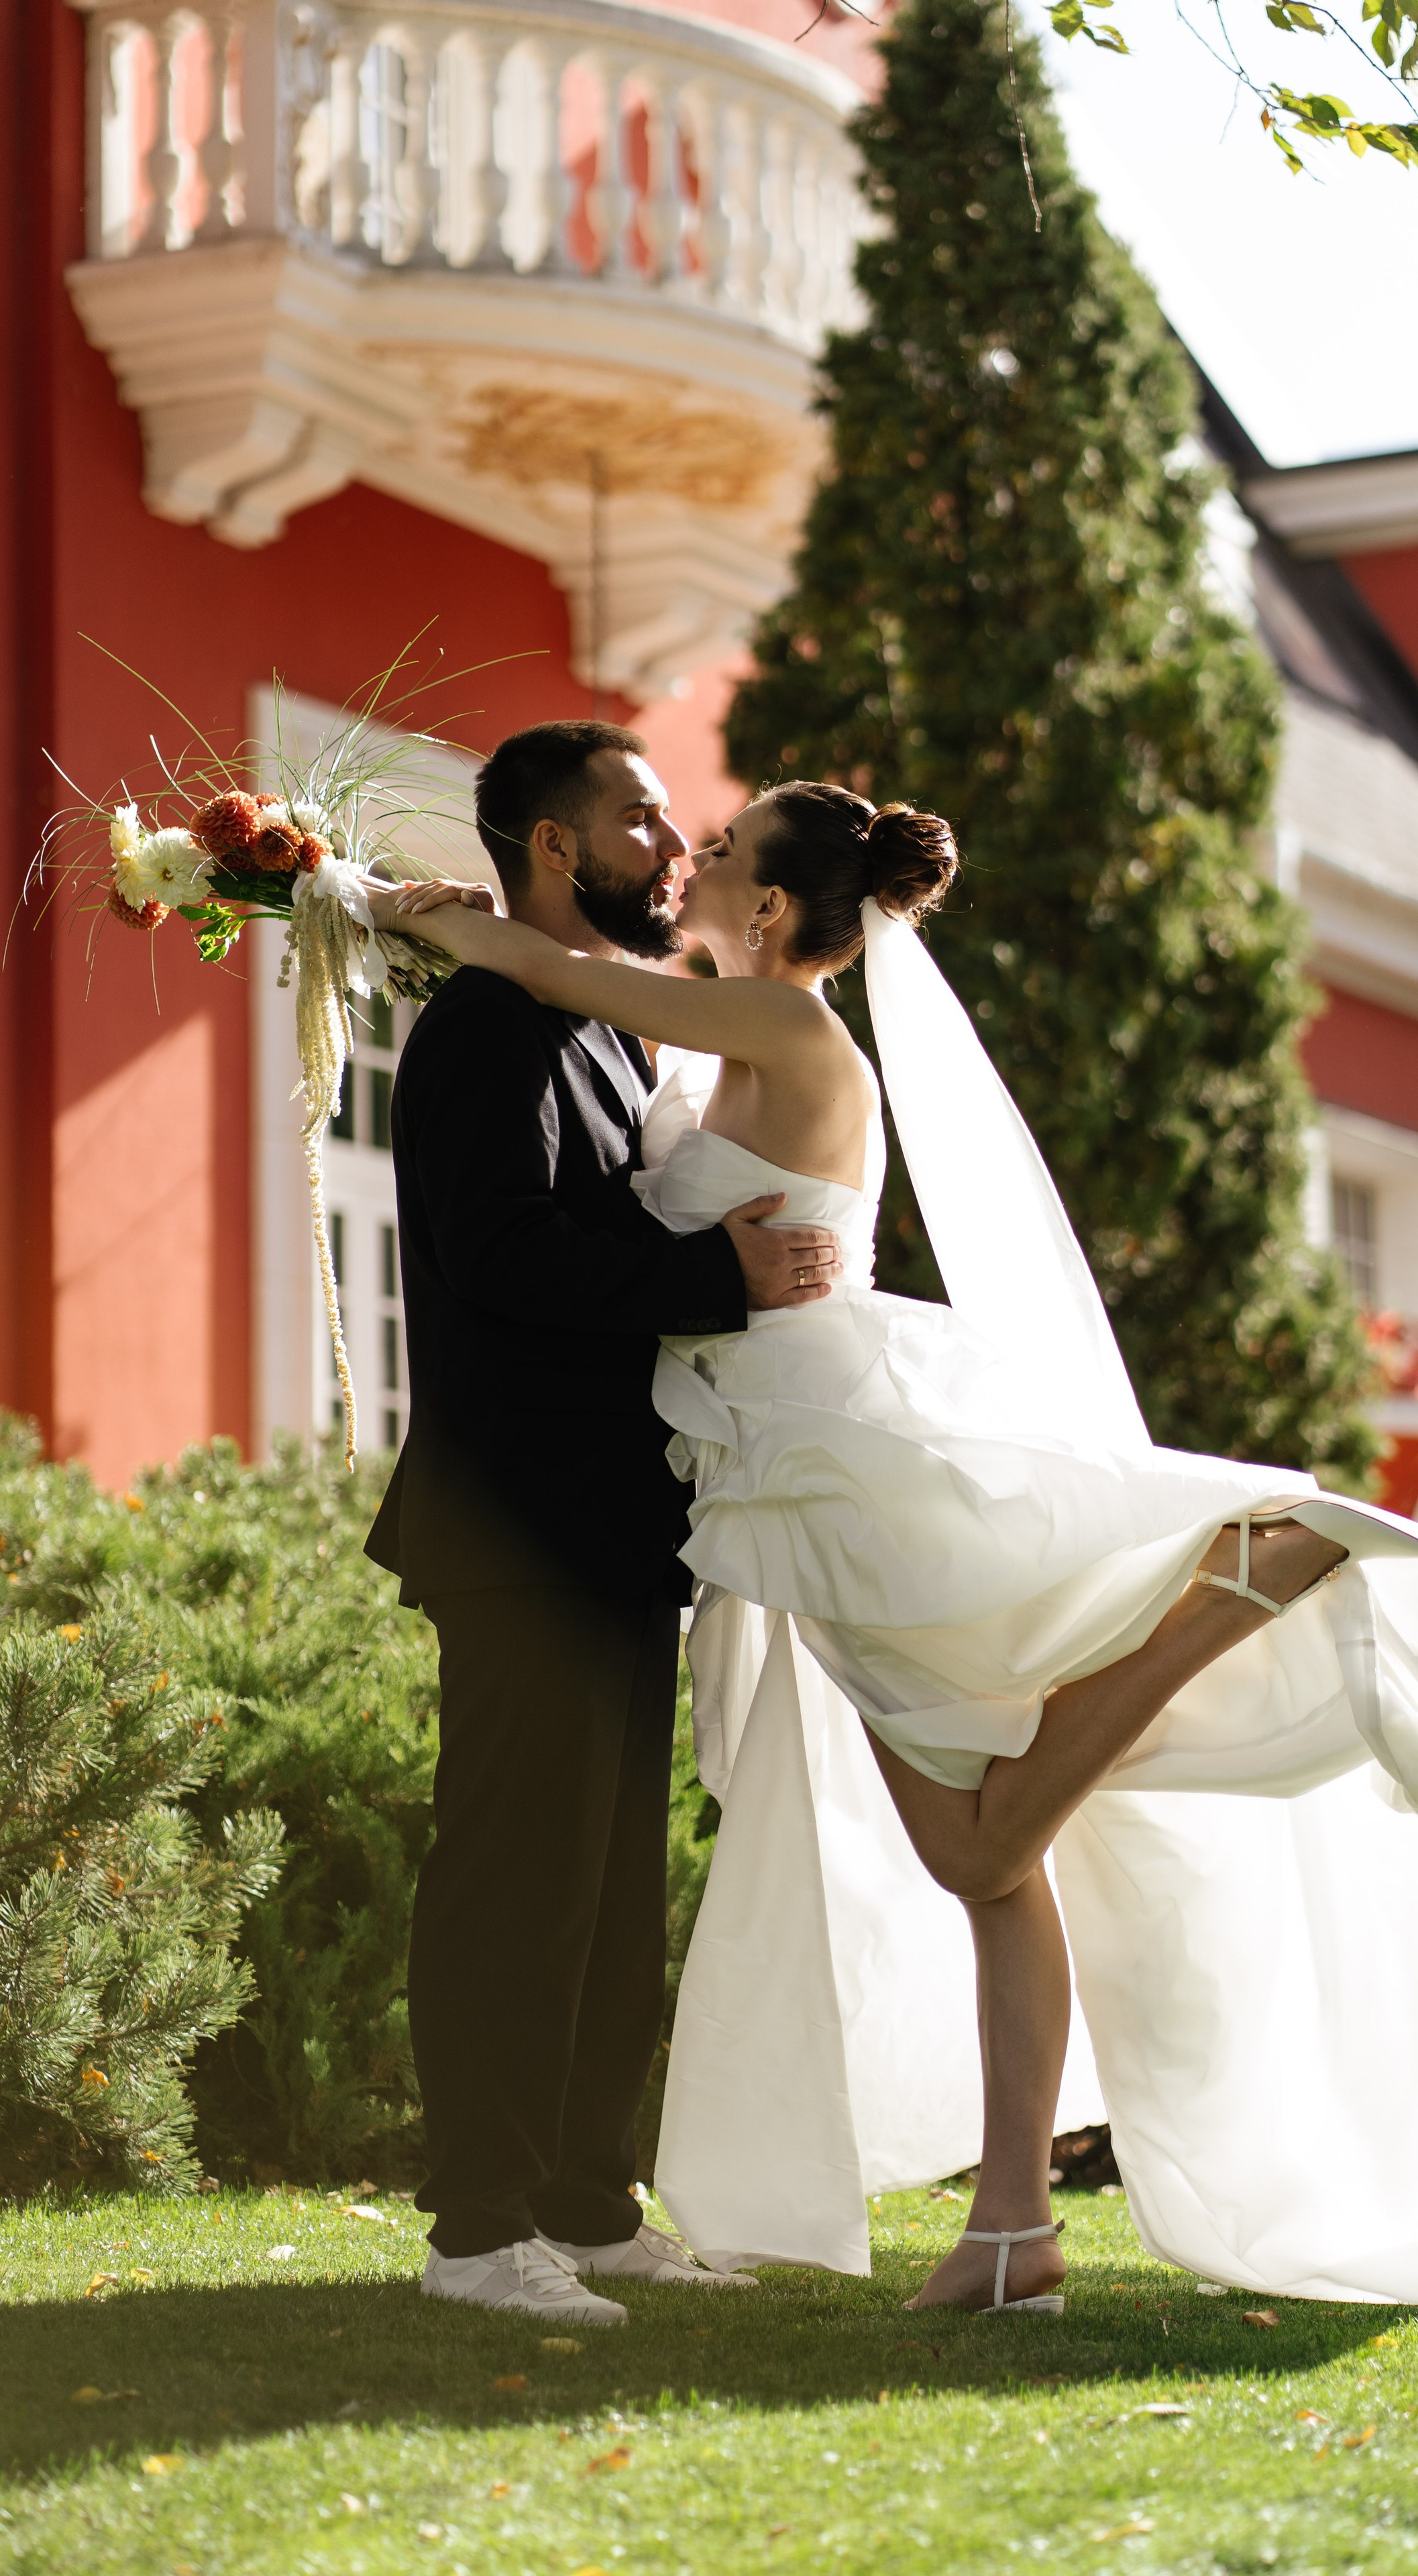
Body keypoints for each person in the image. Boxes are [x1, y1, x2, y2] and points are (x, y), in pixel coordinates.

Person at [370, 782, 1418, 2325]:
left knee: (980, 1849)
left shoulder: (797, 1039)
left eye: (722, 852)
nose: (692, 859)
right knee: (993, 1864)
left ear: (763, 913)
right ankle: (1012, 2225)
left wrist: (376, 905)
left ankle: (1215, 1598)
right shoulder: (719, 1027)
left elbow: (546, 973)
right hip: (791, 1477)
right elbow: (586, 1076)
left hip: (841, 1483)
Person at [366, 721, 845, 2322]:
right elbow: (504, 1257)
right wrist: (719, 1278)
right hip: (514, 1524)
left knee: (610, 1887)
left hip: (621, 1524)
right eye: (644, 817)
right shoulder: (484, 1032)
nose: (676, 838)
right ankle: (475, 2233)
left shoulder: (611, 1031)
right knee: (514, 1872)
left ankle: (585, 2197)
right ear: (559, 848)